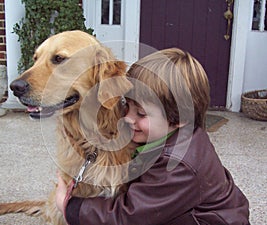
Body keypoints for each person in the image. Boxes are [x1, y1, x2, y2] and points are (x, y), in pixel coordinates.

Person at [55, 48, 250, 224]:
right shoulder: (165, 136)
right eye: (126, 105)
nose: (128, 118)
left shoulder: (177, 165)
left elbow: (129, 216)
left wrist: (71, 207)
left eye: (141, 113)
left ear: (179, 117)